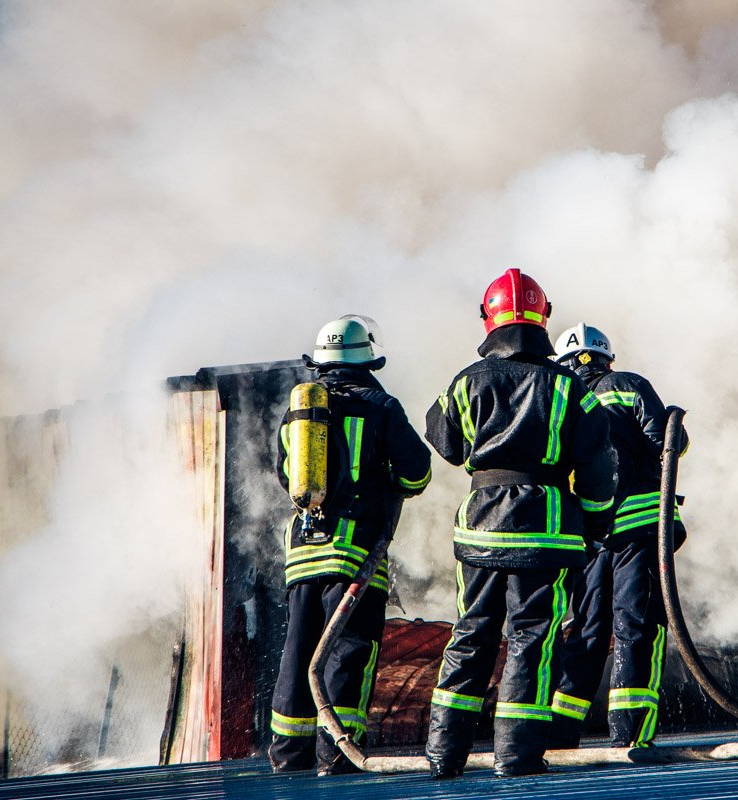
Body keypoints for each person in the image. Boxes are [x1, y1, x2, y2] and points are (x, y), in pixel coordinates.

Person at [423, 269, 617, 778]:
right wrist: (595, 524)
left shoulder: (466, 381)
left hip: (480, 528)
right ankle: (517, 756)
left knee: (472, 632)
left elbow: (442, 440)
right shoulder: (572, 388)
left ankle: (445, 756)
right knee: (534, 637)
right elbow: (598, 469)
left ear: (489, 319)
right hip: (548, 530)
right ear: (542, 318)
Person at [268, 314, 432, 776]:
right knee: (348, 651)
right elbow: (417, 472)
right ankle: (336, 754)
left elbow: (286, 473)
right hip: (356, 552)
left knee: (299, 649)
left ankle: (288, 753)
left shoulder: (300, 410)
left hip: (302, 550)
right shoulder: (382, 406)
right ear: (367, 360)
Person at [547, 322, 688, 750]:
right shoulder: (627, 384)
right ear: (606, 357)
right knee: (636, 625)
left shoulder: (561, 398)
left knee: (586, 631)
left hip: (590, 537)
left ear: (566, 362)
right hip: (641, 530)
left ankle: (560, 735)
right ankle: (631, 737)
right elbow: (668, 441)